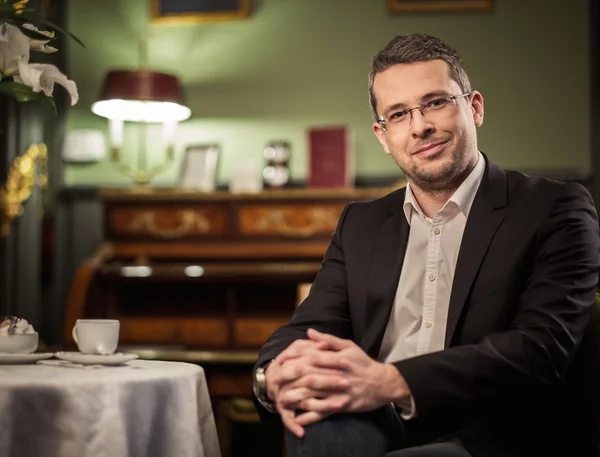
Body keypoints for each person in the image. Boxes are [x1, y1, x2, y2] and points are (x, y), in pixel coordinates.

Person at [252, 32, 600, 457]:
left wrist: (390, 381)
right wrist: (275, 376)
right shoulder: (361, 224)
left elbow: (541, 347)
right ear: (383, 136)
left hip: (488, 435)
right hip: (374, 422)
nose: (420, 127)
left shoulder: (554, 208)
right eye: (398, 115)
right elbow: (308, 328)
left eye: (436, 102)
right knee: (319, 422)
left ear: (474, 107)